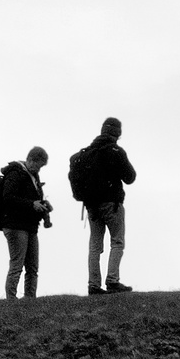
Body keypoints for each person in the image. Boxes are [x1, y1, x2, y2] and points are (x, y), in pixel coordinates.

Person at [75, 117, 137, 294]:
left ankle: (93, 285)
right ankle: (112, 281)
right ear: (117, 133)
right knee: (117, 242)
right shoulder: (115, 151)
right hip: (112, 204)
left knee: (95, 246)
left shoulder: (86, 154)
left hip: (91, 207)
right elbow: (130, 177)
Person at [0, 146, 54, 300]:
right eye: (38, 165)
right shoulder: (16, 173)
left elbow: (31, 198)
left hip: (30, 226)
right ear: (30, 160)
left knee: (32, 267)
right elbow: (8, 198)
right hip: (15, 225)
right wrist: (32, 204)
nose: (39, 169)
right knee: (17, 265)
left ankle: (30, 299)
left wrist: (43, 205)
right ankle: (11, 299)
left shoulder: (33, 176)